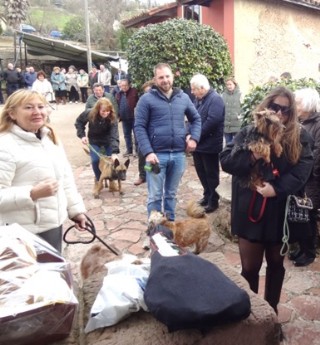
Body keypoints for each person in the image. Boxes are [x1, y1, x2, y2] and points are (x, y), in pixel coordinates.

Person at [220, 86, 314, 316]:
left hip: (278, 209)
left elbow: (304, 170)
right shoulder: (249, 131)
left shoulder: (300, 136)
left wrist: (277, 188)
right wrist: (253, 155)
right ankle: (252, 315)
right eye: (275, 107)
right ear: (266, 107)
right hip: (250, 207)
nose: (279, 113)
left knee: (275, 264)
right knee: (249, 267)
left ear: (291, 112)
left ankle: (270, 313)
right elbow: (227, 162)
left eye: (285, 109)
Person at [0, 89, 87, 252]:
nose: (37, 112)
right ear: (12, 113)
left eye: (41, 106)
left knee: (54, 274)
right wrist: (31, 193)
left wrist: (76, 211)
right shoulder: (4, 146)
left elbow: (65, 178)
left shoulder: (49, 138)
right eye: (28, 107)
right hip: (22, 235)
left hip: (52, 227)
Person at [134, 62, 201, 221]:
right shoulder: (146, 99)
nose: (165, 80)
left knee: (171, 195)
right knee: (155, 196)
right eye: (161, 77)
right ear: (155, 79)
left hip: (178, 155)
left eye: (167, 76)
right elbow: (139, 126)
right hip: (156, 156)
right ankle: (155, 234)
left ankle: (170, 230)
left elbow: (196, 119)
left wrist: (194, 138)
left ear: (173, 77)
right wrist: (148, 152)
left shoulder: (183, 97)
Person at [290, 88, 320, 266]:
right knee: (301, 213)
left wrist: (305, 174)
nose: (296, 106)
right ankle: (301, 247)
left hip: (312, 179)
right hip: (301, 177)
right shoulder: (302, 121)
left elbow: (317, 154)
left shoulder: (317, 124)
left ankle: (309, 252)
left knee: (308, 214)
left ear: (308, 104)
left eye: (298, 103)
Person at [190, 74, 225, 213]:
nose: (192, 92)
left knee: (211, 174)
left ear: (203, 88)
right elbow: (191, 118)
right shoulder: (198, 100)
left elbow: (212, 122)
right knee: (201, 172)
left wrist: (195, 136)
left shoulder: (216, 99)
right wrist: (189, 134)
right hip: (199, 145)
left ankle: (213, 200)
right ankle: (207, 195)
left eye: (194, 89)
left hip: (210, 145)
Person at [75, 97, 120, 195]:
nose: (106, 113)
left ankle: (112, 181)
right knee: (95, 160)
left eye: (108, 111)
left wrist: (114, 152)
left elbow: (114, 134)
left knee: (111, 162)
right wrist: (82, 135)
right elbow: (79, 122)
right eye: (103, 111)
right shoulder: (89, 113)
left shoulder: (112, 117)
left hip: (107, 140)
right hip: (94, 140)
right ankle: (98, 181)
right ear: (98, 109)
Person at [134, 79, 154, 186]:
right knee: (142, 156)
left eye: (149, 91)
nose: (148, 94)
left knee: (153, 158)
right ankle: (143, 175)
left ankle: (150, 173)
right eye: (146, 92)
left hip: (155, 135)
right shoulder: (141, 102)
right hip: (143, 134)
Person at [116, 78, 139, 157]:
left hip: (134, 118)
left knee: (136, 135)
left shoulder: (134, 91)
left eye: (125, 85)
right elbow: (117, 105)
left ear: (129, 85)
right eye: (122, 85)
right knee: (126, 135)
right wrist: (118, 115)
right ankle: (129, 150)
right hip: (124, 119)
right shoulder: (119, 94)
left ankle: (137, 151)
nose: (124, 87)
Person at [222, 76, 242, 144]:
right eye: (227, 84)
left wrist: (240, 116)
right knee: (228, 145)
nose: (229, 86)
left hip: (237, 123)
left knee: (237, 144)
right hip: (226, 125)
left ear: (234, 84)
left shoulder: (240, 94)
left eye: (230, 84)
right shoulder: (223, 95)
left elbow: (243, 108)